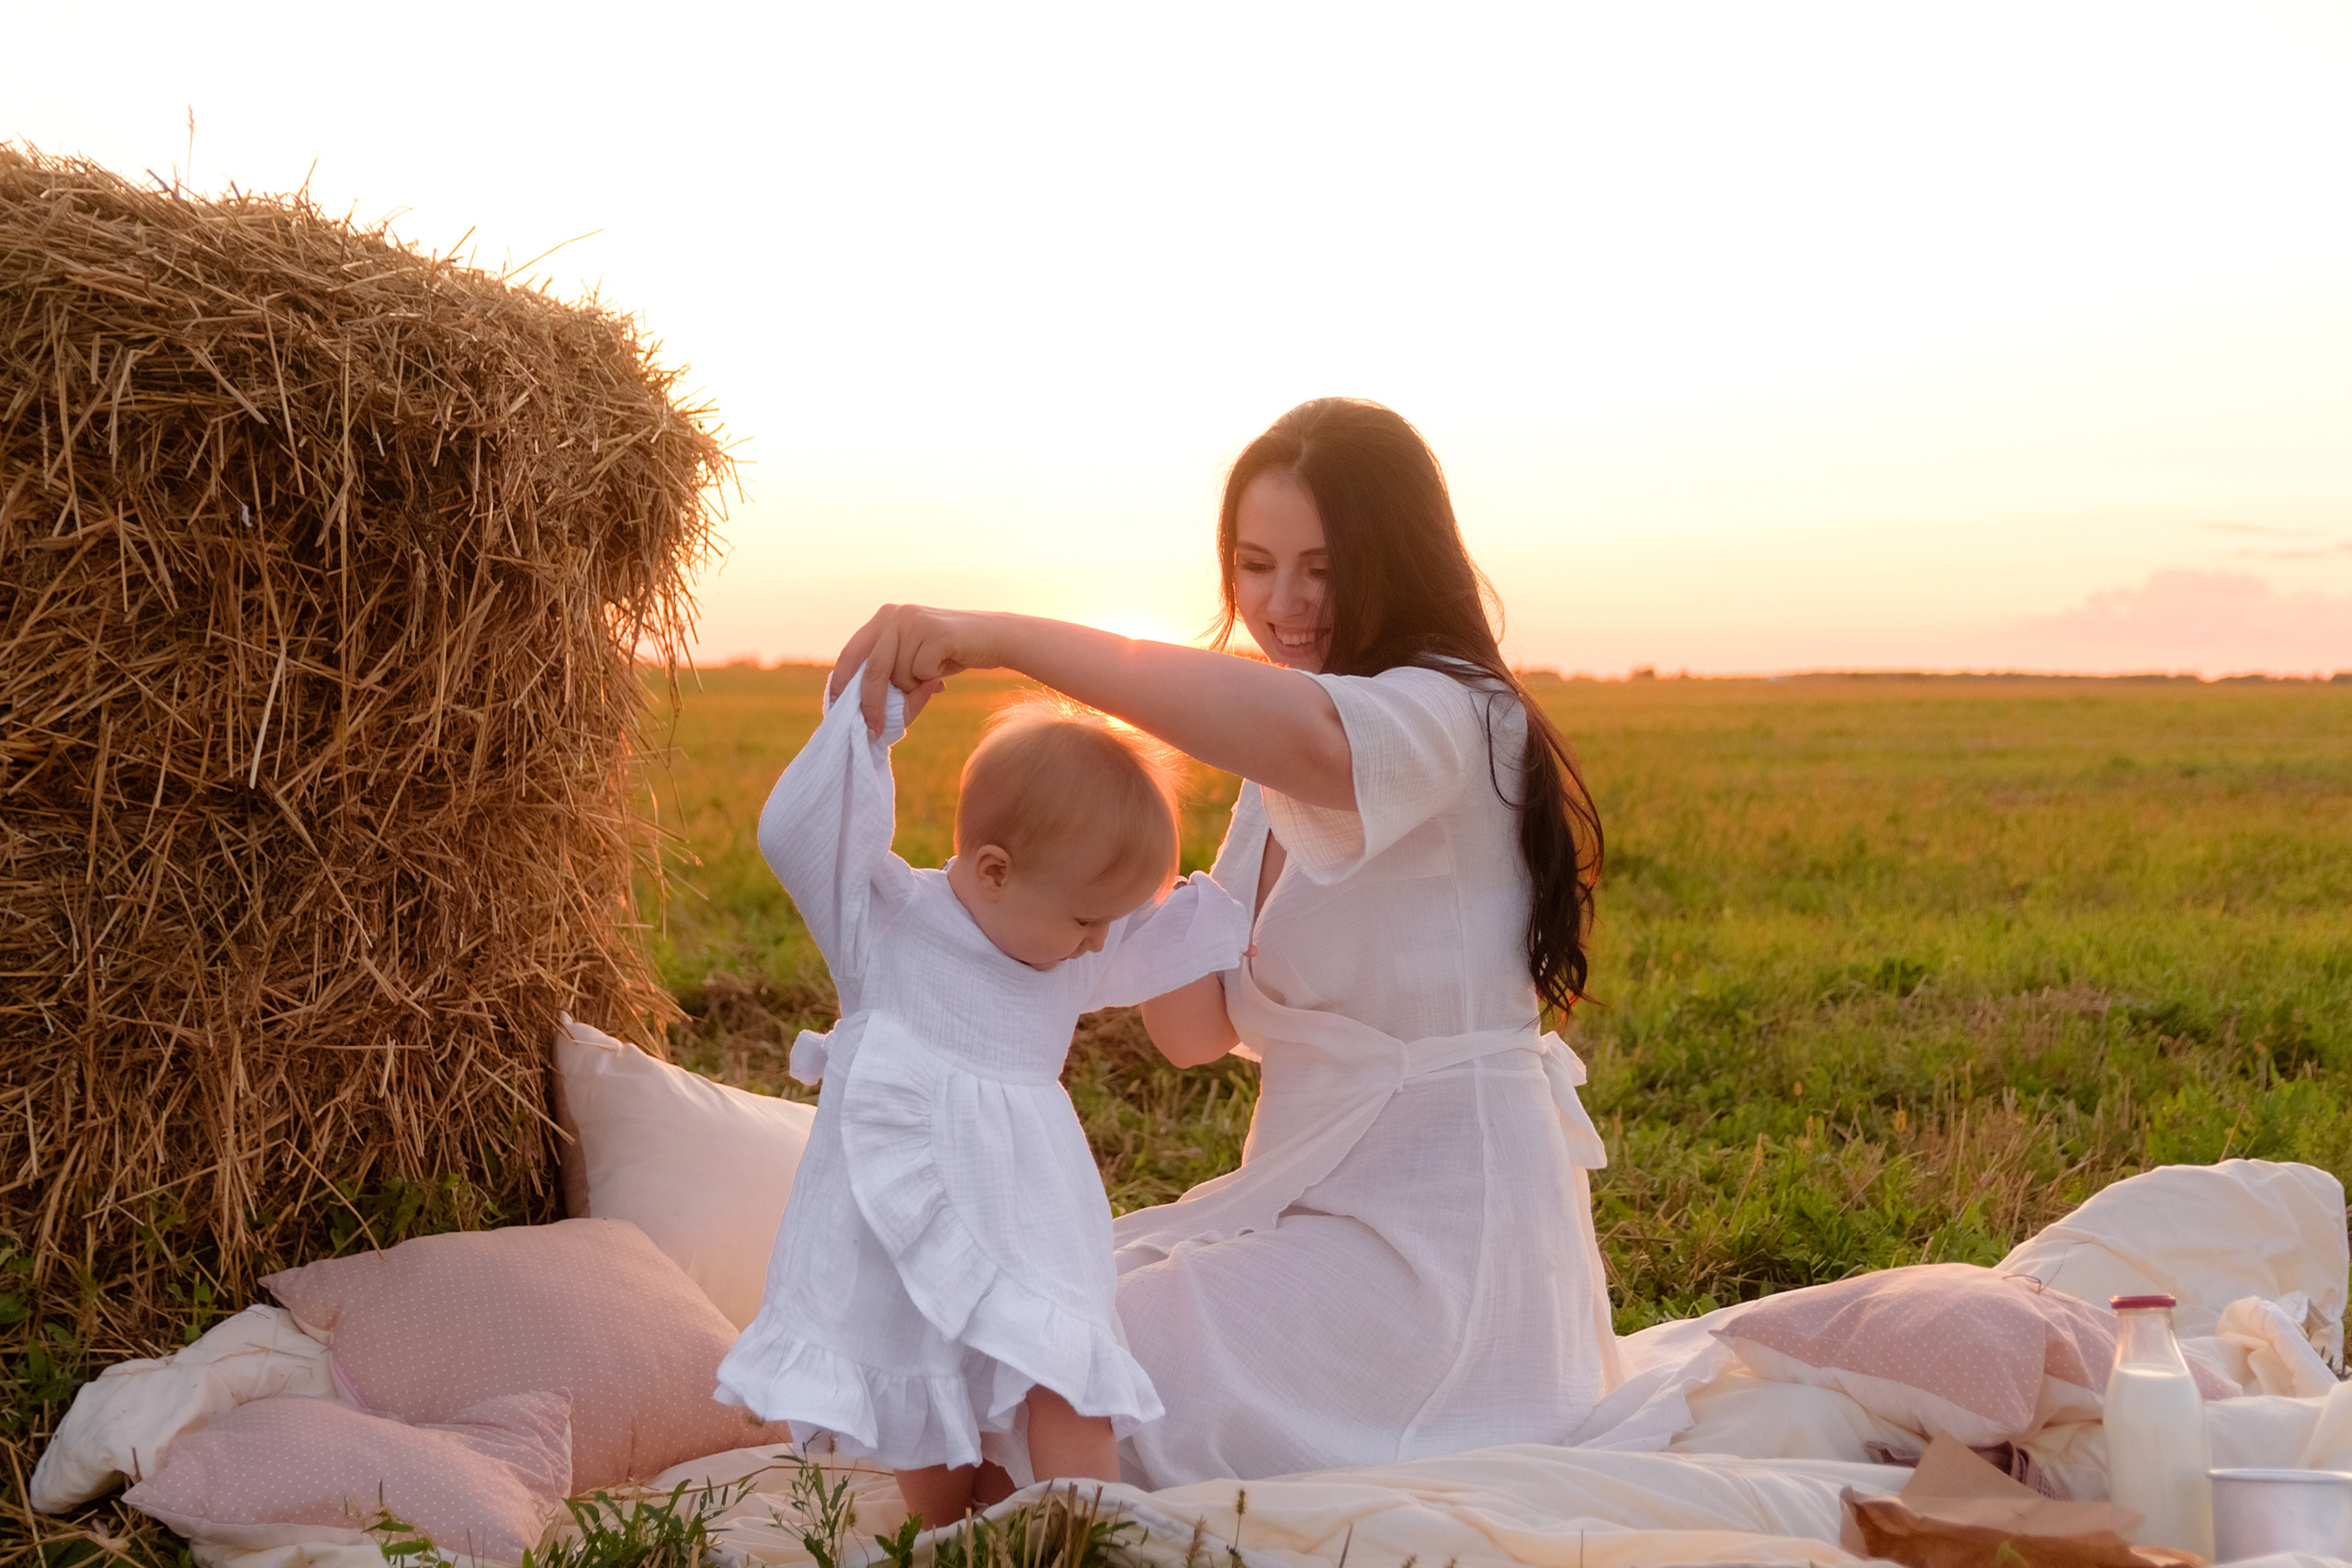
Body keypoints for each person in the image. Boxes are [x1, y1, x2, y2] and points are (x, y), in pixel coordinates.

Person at [827, 397, 1620, 1487]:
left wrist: (994, 638)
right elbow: (1195, 1031)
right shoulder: (1276, 774)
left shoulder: (1448, 714)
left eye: (1321, 570)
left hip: (1443, 1251)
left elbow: (1302, 730)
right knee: (985, 1338)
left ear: (1394, 559)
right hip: (1308, 1209)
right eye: (1255, 565)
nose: (1281, 606)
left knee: (1048, 1387)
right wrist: (1048, 906)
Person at [713, 677, 1250, 1523]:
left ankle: (1094, 1532)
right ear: (994, 871)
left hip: (1032, 1207)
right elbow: (796, 836)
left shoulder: (1069, 942)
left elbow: (1169, 935)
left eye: (1107, 924)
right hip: (900, 1216)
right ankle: (952, 1531)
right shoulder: (887, 920)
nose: (1099, 942)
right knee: (924, 1408)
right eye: (1086, 920)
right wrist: (866, 730)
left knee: (1069, 1374)